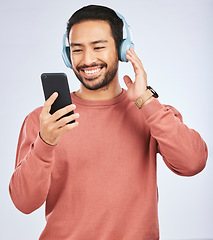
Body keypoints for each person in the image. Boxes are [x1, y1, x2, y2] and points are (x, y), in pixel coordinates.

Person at [9, 5, 208, 240]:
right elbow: (23, 202)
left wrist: (146, 101)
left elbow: (193, 162)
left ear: (122, 51)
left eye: (98, 47)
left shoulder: (150, 112)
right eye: (77, 50)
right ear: (67, 55)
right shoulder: (45, 122)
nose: (87, 59)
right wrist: (45, 143)